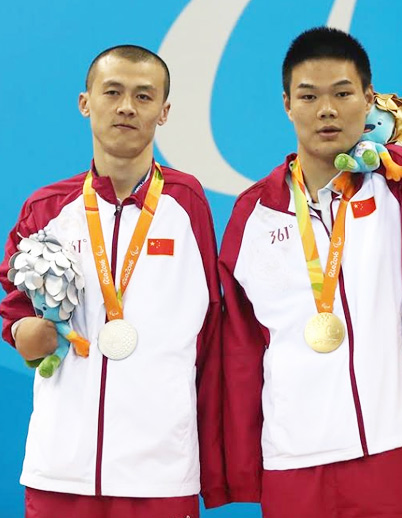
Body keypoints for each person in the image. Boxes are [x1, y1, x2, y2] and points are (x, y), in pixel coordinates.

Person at [219, 27, 402, 518]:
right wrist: (240, 457)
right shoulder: (254, 215)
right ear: (287, 104)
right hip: (293, 456)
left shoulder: (399, 185)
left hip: (389, 443)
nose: (327, 110)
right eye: (309, 96)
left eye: (343, 94)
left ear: (369, 99)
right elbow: (241, 348)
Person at [0, 45, 225, 518]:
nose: (127, 107)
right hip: (61, 467)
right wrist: (22, 331)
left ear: (164, 112)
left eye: (143, 96)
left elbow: (208, 327)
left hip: (161, 469)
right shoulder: (47, 208)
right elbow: (16, 304)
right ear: (86, 103)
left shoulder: (186, 203)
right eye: (113, 92)